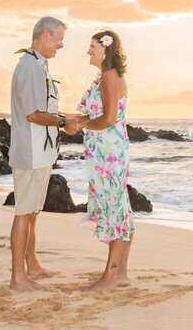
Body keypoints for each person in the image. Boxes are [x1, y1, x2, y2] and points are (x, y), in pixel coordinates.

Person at [8, 15, 73, 291]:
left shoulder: (39, 65)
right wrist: (61, 122)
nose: (61, 45)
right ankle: (17, 278)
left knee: (33, 211)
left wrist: (68, 117)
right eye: (59, 39)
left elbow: (43, 108)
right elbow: (33, 114)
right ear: (45, 35)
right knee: (23, 212)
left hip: (41, 151)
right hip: (30, 151)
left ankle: (32, 265)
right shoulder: (30, 67)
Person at [68, 29, 134, 290]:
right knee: (119, 207)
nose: (88, 51)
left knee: (113, 209)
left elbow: (108, 119)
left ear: (106, 48)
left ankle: (109, 277)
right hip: (107, 151)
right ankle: (121, 273)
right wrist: (63, 119)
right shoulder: (105, 77)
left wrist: (80, 124)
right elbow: (90, 115)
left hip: (109, 154)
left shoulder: (110, 76)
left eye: (93, 46)